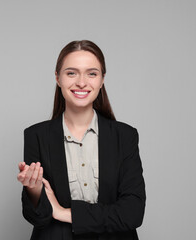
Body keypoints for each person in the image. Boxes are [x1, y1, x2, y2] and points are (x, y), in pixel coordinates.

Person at [17, 40, 146, 240]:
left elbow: (133, 213)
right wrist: (34, 191)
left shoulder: (125, 136)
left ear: (102, 79)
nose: (82, 82)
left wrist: (64, 213)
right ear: (58, 78)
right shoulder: (36, 135)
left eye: (92, 73)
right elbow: (39, 218)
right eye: (71, 73)